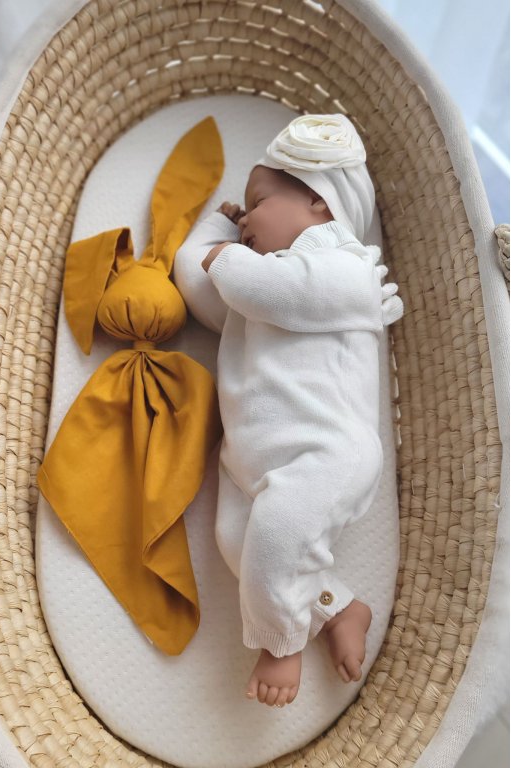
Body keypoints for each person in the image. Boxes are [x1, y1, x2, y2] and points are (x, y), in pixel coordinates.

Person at [173, 114, 403, 709]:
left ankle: (281, 642)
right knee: (241, 543)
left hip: (326, 452)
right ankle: (337, 607)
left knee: (276, 537)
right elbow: (193, 280)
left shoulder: (344, 269)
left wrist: (227, 255)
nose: (246, 220)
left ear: (318, 202)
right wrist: (218, 228)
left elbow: (263, 287)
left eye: (257, 203)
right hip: (250, 462)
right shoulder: (252, 283)